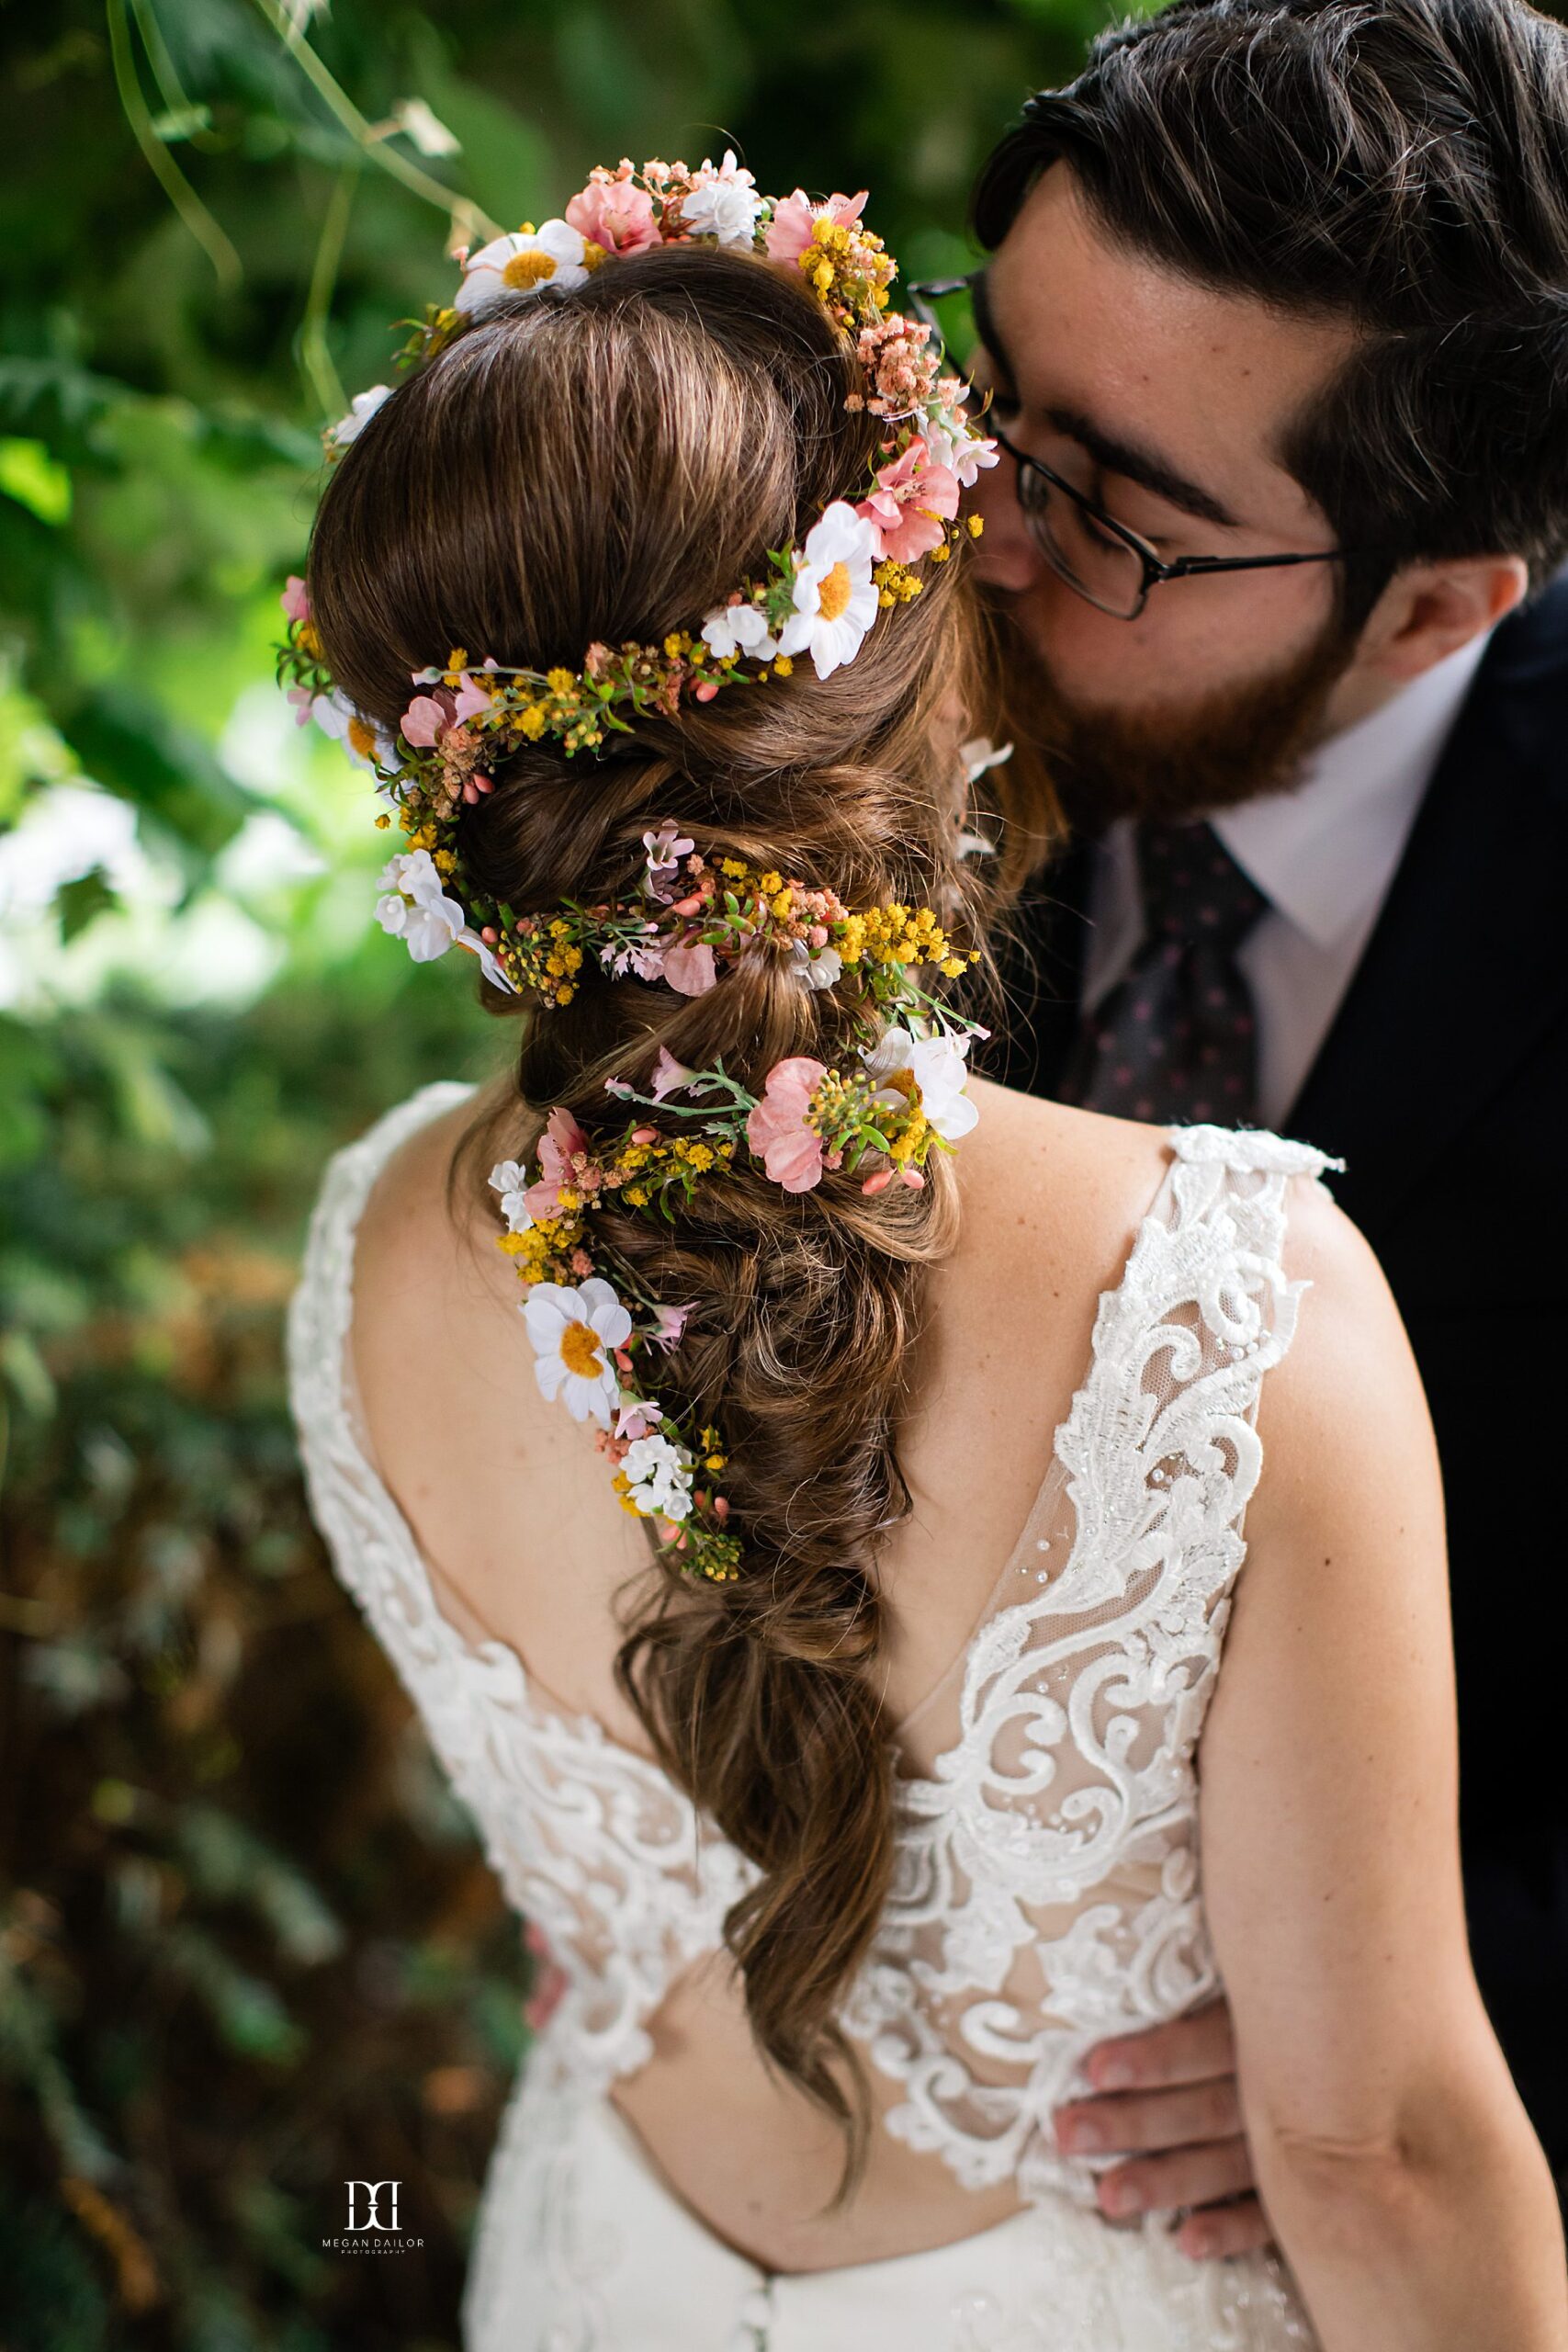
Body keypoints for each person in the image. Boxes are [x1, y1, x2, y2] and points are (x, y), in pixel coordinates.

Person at [282, 158, 1568, 2349]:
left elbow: (600, 1848)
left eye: (1114, 502)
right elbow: (1376, 2154)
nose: (1012, 527)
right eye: (992, 460)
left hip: (613, 2264)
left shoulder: (373, 1245)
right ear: (900, 643)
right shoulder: (1227, 1297)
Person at [937, 0, 1568, 2251]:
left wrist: (1452, 1993)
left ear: (1431, 609)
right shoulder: (840, 682)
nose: (972, 535)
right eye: (981, 391)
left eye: (1109, 511)